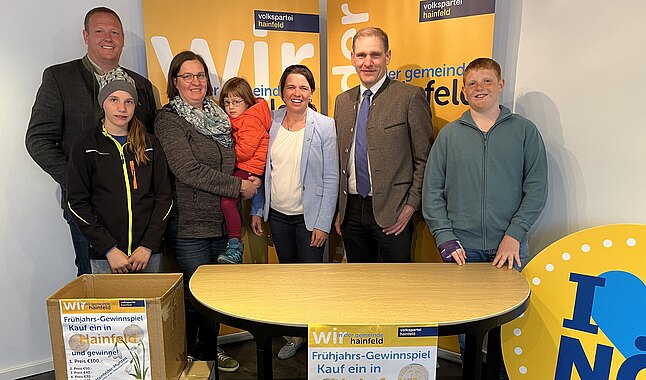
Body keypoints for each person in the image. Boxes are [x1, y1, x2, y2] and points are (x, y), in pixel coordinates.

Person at [422, 57, 548, 379]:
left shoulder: (524, 132)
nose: (480, 88)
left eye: (487, 81)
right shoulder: (450, 136)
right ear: (464, 91)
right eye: (473, 83)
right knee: (469, 333)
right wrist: (445, 236)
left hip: (510, 250)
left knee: (510, 332)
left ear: (501, 85)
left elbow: (536, 189)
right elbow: (432, 192)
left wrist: (514, 234)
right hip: (463, 252)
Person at [25, 7, 157, 276]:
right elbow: (39, 139)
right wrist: (79, 184)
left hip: (138, 213)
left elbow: (152, 147)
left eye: (114, 32)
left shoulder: (142, 86)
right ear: (86, 36)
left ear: (122, 39)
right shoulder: (60, 78)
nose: (107, 38)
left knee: (142, 294)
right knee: (95, 291)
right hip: (88, 212)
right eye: (99, 31)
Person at [154, 51, 260, 372]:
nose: (195, 82)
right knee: (194, 300)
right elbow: (188, 169)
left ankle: (210, 354)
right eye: (187, 76)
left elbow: (233, 158)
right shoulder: (168, 119)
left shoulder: (219, 116)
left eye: (200, 75)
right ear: (175, 82)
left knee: (215, 299)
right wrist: (238, 188)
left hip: (222, 225)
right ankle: (195, 361)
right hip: (189, 228)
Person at [250, 64, 339, 359]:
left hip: (310, 219)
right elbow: (262, 170)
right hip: (278, 217)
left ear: (311, 92)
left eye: (303, 87)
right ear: (281, 91)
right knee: (289, 280)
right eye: (291, 87)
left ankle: (316, 340)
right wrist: (257, 209)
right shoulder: (270, 122)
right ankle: (295, 335)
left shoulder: (324, 125)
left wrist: (323, 222)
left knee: (312, 280)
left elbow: (331, 177)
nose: (296, 93)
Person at [334, 27, 433, 263]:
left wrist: (410, 206)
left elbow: (425, 159)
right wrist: (340, 208)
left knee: (397, 290)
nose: (367, 62)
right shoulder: (342, 101)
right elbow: (339, 160)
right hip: (351, 212)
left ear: (387, 57)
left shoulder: (409, 97)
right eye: (361, 55)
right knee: (360, 287)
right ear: (352, 58)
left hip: (394, 211)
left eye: (375, 55)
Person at [66, 68, 171, 274]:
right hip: (106, 258)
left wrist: (148, 245)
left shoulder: (151, 144)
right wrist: (108, 248)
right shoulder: (85, 145)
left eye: (128, 101)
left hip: (147, 255)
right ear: (102, 102)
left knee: (150, 307)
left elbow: (164, 198)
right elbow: (77, 202)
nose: (121, 108)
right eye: (114, 99)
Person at [217, 77, 271, 264]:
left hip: (247, 169)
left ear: (247, 102)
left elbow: (245, 151)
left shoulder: (250, 120)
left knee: (227, 203)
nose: (231, 107)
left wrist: (222, 156)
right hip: (246, 168)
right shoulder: (242, 119)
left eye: (236, 102)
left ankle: (235, 245)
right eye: (227, 102)